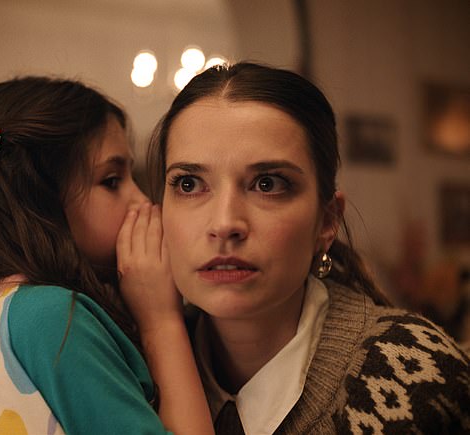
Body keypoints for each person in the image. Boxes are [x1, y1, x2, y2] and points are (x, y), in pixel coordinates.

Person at [145, 62, 470, 434]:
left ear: (327, 221)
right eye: (189, 184)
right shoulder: (126, 367)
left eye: (267, 184)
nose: (224, 224)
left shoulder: (415, 379)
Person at [0, 76, 213, 434]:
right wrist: (161, 319)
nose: (142, 201)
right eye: (111, 180)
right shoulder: (50, 317)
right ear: (39, 198)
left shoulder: (1, 310)